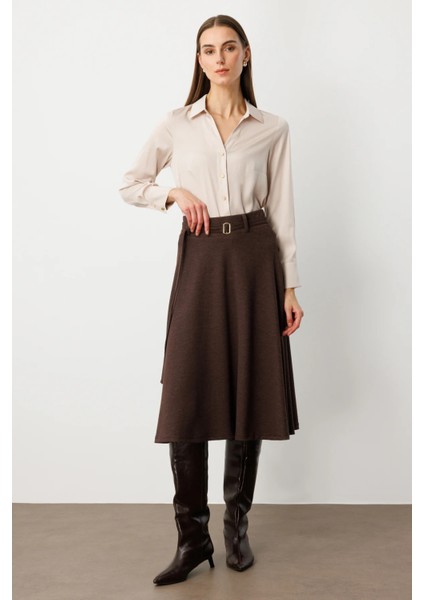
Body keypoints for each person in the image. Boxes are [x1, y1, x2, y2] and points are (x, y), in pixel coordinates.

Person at [119, 14, 304, 586]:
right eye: (208, 50)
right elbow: (130, 183)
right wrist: (173, 192)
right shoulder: (177, 124)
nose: (219, 58)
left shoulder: (272, 128)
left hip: (254, 259)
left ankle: (236, 529)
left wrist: (290, 286)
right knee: (187, 392)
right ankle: (192, 538)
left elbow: (281, 210)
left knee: (249, 392)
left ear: (245, 54)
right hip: (200, 261)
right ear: (198, 60)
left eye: (228, 48)